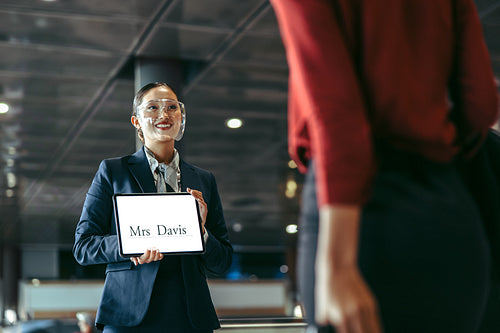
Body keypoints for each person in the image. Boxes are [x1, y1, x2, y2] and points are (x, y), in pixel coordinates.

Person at [269, 1, 499, 332]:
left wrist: (339, 264)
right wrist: (429, 140)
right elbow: (481, 105)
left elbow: (337, 114)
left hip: (358, 219)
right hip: (448, 208)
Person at [73, 82, 233, 332]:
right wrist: (129, 245)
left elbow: (222, 261)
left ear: (181, 117)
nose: (164, 114)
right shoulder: (113, 171)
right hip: (127, 314)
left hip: (189, 316)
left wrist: (200, 231)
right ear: (136, 121)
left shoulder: (203, 180)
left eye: (172, 107)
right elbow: (83, 247)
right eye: (152, 107)